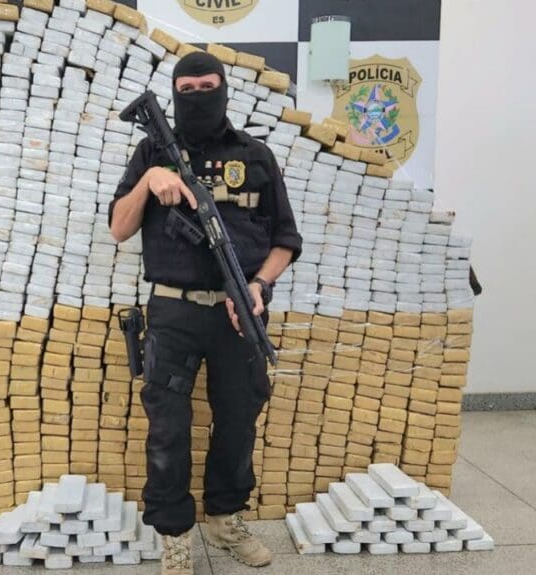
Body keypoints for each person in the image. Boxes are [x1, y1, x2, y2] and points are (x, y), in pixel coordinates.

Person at [108, 52, 302, 574]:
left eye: (207, 85)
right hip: (172, 312)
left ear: (224, 89)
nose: (197, 94)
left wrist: (259, 286)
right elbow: (119, 228)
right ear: (173, 94)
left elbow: (286, 240)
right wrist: (149, 179)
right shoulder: (153, 149)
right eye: (187, 88)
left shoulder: (255, 155)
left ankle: (224, 519)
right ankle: (174, 534)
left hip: (240, 313)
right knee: (168, 428)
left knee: (238, 420)